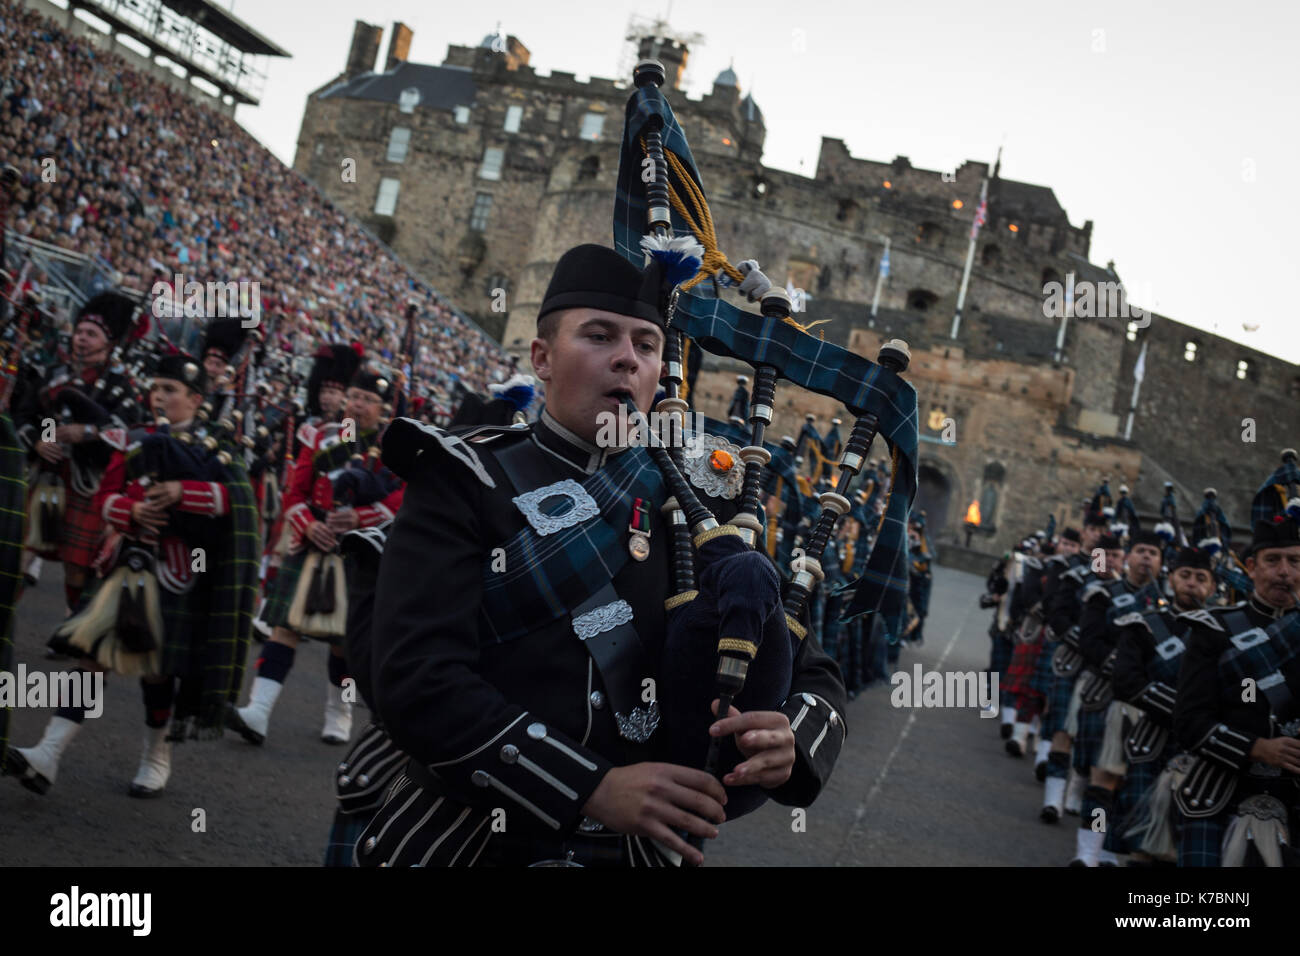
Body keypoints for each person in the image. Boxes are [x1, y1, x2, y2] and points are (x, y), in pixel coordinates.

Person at [353, 244, 848, 867]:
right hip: (471, 842)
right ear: (542, 358)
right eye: (598, 335)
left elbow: (812, 668)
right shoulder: (466, 479)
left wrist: (791, 742)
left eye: (646, 344)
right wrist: (589, 785)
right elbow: (415, 681)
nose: (627, 358)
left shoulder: (704, 498)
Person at [4, 352, 258, 796]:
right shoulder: (135, 439)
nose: (161, 397)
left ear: (196, 399)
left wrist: (181, 492)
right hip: (128, 564)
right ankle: (47, 753)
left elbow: (234, 502)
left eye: (172, 391)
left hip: (178, 572)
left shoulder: (218, 445)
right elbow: (106, 498)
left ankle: (156, 756)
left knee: (157, 672)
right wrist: (134, 509)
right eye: (157, 388)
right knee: (92, 658)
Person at [228, 364, 403, 746]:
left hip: (362, 550)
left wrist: (360, 518)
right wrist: (309, 525)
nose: (358, 406)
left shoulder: (396, 446)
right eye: (354, 397)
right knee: (284, 628)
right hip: (314, 542)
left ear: (384, 409)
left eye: (369, 401)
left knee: (344, 643)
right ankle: (257, 711)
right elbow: (295, 492)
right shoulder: (319, 435)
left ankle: (338, 712)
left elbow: (402, 499)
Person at [1172, 516, 1300, 867]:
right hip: (1218, 795)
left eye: (1295, 561)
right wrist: (1257, 748)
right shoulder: (1213, 628)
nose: (1285, 572)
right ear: (1252, 568)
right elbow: (1188, 722)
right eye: (1273, 560)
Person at [1106, 545, 1215, 864]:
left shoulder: (1222, 632)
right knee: (1141, 840)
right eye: (1185, 575)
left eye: (1200, 578)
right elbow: (1126, 681)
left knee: (1176, 848)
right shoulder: (1143, 624)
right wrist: (1183, 710)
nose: (1192, 583)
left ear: (1211, 586)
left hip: (1199, 749)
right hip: (1153, 738)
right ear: (1171, 578)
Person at [1068, 529, 1163, 865]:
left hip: (1150, 708)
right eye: (1141, 551)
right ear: (1129, 557)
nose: (1147, 558)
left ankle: (1108, 853)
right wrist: (1125, 668)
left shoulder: (1165, 605)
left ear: (1161, 561)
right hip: (1107, 695)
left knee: (1129, 788)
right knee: (1101, 781)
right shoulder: (1103, 594)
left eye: (1153, 552)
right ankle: (1088, 853)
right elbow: (1089, 642)